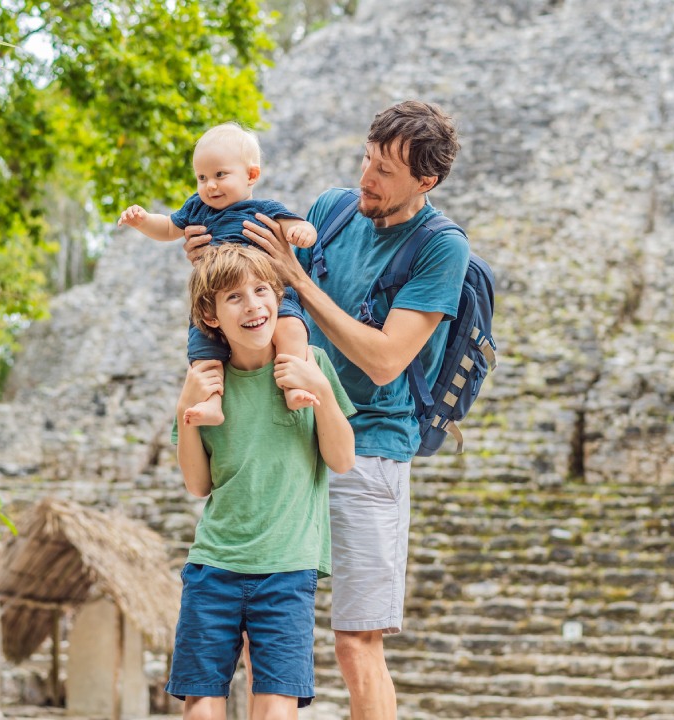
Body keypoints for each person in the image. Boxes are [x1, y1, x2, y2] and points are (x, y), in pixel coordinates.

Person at [182, 100, 470, 720]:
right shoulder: (331, 212)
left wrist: (303, 280)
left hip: (369, 447)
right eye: (367, 158)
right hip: (287, 438)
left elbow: (386, 359)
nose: (367, 177)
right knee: (266, 631)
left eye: (386, 171)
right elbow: (261, 292)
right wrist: (213, 255)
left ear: (427, 180)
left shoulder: (439, 248)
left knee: (355, 643)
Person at [166, 243, 356, 720]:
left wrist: (321, 392)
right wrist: (184, 410)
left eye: (262, 291)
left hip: (287, 569)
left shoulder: (307, 365)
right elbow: (197, 483)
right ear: (210, 317)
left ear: (278, 299)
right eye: (234, 298)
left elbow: (343, 458)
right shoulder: (205, 382)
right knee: (201, 704)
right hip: (215, 565)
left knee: (276, 706)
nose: (253, 305)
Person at [119, 122, 319, 427]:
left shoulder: (263, 209)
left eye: (220, 175)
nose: (210, 185)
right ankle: (211, 403)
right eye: (202, 177)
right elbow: (170, 228)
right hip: (215, 299)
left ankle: (294, 386)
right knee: (203, 351)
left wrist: (302, 231)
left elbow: (291, 225)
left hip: (269, 293)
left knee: (292, 327)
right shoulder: (197, 209)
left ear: (251, 175)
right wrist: (144, 221)